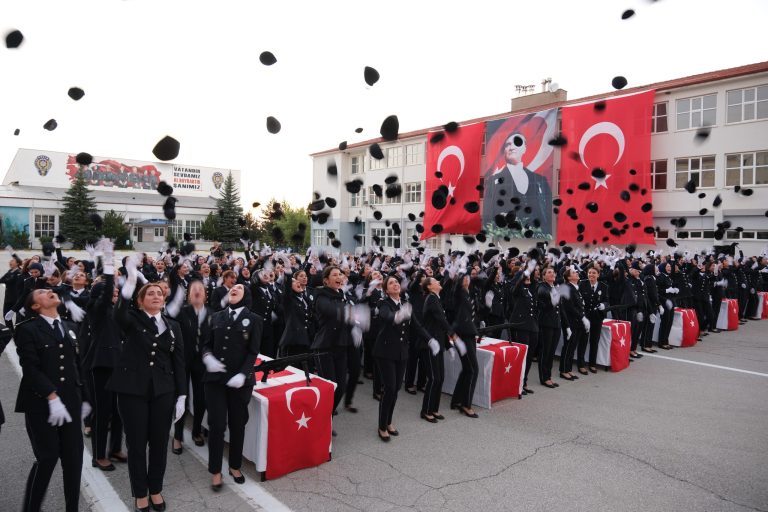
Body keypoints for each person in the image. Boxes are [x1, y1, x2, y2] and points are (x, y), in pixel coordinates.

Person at [107, 270, 187, 512]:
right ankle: (140, 493)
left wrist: (182, 395)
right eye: (150, 293)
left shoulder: (173, 326)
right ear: (141, 301)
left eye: (159, 293)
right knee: (137, 444)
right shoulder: (132, 318)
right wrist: (131, 282)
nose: (156, 296)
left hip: (163, 391)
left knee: (160, 443)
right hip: (132, 391)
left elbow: (179, 362)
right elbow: (119, 312)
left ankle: (156, 489)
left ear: (164, 300)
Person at [14, 288, 91, 512]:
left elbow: (78, 366)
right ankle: (31, 508)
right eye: (41, 292)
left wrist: (85, 398)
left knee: (74, 461)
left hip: (70, 403)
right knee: (47, 458)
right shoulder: (27, 329)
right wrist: (52, 397)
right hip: (41, 404)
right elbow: (30, 367)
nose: (49, 291)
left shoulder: (70, 327)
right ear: (35, 306)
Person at [201, 284, 262, 490]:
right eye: (232, 287)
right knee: (217, 425)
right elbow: (206, 344)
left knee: (237, 424)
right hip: (215, 380)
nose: (234, 289)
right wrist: (207, 356)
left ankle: (235, 466)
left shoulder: (254, 320)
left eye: (240, 288)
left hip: (240, 381)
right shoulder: (216, 316)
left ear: (246, 295)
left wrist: (243, 374)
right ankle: (215, 470)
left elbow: (253, 352)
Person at [374, 275, 433, 440]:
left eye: (396, 282)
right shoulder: (383, 303)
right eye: (391, 283)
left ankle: (388, 421)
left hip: (401, 352)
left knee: (396, 389)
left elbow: (416, 326)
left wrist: (430, 339)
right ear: (386, 289)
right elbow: (387, 316)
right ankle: (381, 426)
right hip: (385, 352)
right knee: (390, 388)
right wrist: (399, 315)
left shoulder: (406, 305)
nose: (395, 284)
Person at [81, 270, 126, 471]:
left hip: (118, 364)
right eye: (113, 293)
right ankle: (98, 455)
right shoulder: (96, 309)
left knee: (119, 411)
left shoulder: (115, 311)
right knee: (102, 411)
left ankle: (115, 448)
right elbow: (107, 293)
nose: (116, 295)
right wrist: (109, 272)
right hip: (101, 365)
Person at [482, 132, 553, 234]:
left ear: (524, 148)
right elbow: (487, 215)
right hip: (506, 236)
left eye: (516, 143)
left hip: (537, 236)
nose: (511, 147)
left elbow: (548, 214)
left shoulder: (540, 180)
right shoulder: (493, 182)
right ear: (505, 151)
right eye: (508, 144)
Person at [173, 280, 212, 452]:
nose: (197, 291)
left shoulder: (212, 314)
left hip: (202, 363)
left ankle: (197, 431)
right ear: (189, 295)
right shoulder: (181, 313)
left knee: (201, 399)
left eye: (200, 289)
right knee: (182, 397)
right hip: (183, 361)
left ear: (205, 294)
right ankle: (178, 436)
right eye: (193, 289)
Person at [420, 277, 454, 420]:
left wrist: (447, 344)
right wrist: (454, 334)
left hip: (439, 343)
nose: (439, 282)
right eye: (435, 281)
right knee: (434, 378)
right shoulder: (431, 299)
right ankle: (426, 411)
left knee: (440, 378)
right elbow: (442, 320)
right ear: (429, 286)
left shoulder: (436, 298)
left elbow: (440, 325)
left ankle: (434, 409)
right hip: (430, 344)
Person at [450, 273, 480, 418]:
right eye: (464, 277)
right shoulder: (459, 293)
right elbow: (454, 290)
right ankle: (466, 404)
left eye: (469, 277)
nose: (467, 279)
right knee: (473, 369)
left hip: (470, 333)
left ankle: (456, 400)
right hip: (462, 334)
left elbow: (473, 313)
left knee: (468, 368)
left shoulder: (469, 293)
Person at [509, 261, 538, 393]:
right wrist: (523, 273)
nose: (527, 278)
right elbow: (516, 286)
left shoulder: (531, 289)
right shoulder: (518, 290)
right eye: (525, 277)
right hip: (521, 325)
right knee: (523, 355)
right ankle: (518, 382)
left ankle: (524, 381)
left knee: (530, 354)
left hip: (532, 325)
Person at [579, 266, 610, 371]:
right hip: (585, 317)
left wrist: (603, 305)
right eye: (589, 273)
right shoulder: (582, 284)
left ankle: (592, 364)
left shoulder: (604, 286)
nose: (591, 275)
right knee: (583, 340)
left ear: (598, 275)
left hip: (597, 317)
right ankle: (581, 364)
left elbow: (607, 301)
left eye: (593, 273)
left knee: (594, 341)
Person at [537, 267, 562, 388]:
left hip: (556, 323)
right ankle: (544, 378)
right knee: (545, 351)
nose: (552, 274)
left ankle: (548, 376)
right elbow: (542, 293)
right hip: (546, 324)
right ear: (544, 276)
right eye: (549, 272)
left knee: (551, 352)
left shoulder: (554, 287)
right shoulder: (543, 286)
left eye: (553, 272)